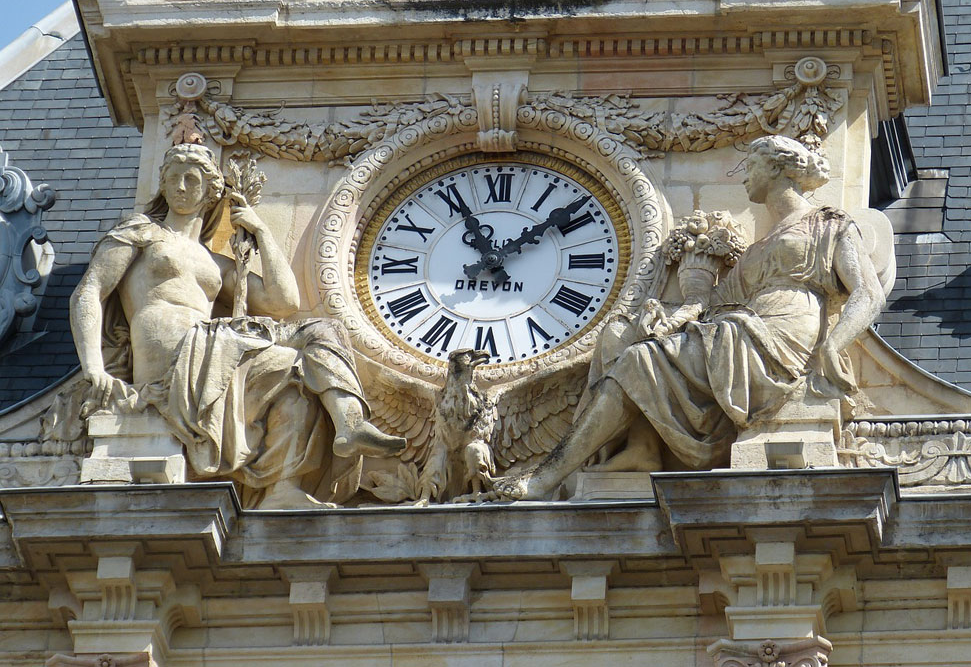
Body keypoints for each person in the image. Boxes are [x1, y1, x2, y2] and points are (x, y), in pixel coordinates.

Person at [495, 134, 885, 500]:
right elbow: (713, 308)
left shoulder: (828, 223)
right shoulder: (757, 248)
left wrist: (835, 342)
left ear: (778, 168)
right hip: (739, 329)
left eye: (750, 165)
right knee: (620, 336)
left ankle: (547, 475)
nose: (745, 176)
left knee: (640, 360)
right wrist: (671, 309)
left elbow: (868, 292)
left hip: (784, 334)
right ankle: (641, 448)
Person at [70, 143, 405, 509]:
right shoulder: (141, 232)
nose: (181, 187)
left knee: (314, 346)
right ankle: (343, 430)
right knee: (293, 362)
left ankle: (311, 461)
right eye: (172, 179)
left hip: (212, 349)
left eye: (192, 179)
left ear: (211, 193)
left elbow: (284, 301)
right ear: (162, 186)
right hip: (171, 356)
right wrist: (94, 369)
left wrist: (260, 232)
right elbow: (88, 292)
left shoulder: (215, 264)